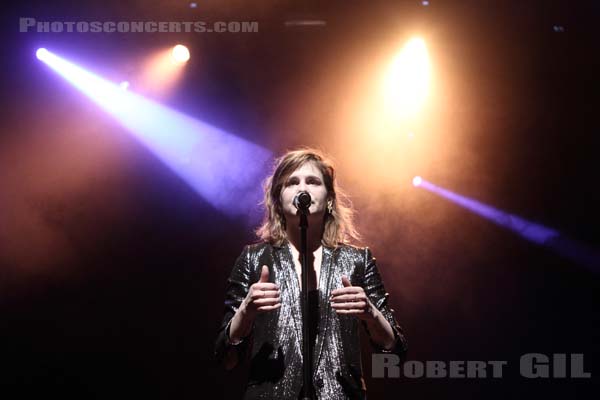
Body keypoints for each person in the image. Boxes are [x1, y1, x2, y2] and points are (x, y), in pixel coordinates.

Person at [214, 148, 407, 400]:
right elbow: (225, 359)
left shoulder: (358, 260)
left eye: (313, 181)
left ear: (328, 199)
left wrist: (371, 315)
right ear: (278, 200)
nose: (302, 188)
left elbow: (395, 353)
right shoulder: (254, 259)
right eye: (292, 183)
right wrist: (245, 312)